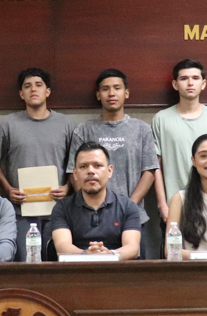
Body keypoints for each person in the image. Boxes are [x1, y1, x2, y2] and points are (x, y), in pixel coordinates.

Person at [66, 69, 158, 249]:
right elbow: (73, 171)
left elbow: (149, 170)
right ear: (98, 95)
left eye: (117, 88)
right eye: (105, 89)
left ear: (126, 93)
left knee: (133, 263)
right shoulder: (84, 130)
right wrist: (88, 203)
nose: (111, 93)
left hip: (133, 218)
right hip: (90, 219)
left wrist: (129, 206)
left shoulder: (142, 129)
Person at [0, 68, 75, 261]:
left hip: (58, 211)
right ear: (21, 93)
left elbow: (76, 163)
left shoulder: (67, 124)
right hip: (21, 211)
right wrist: (8, 189)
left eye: (38, 85)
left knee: (57, 264)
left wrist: (67, 187)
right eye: (27, 86)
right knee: (25, 263)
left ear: (48, 91)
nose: (33, 90)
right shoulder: (7, 124)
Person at [152, 59, 207, 235]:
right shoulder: (161, 119)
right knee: (174, 251)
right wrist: (162, 204)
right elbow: (156, 166)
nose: (190, 83)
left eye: (195, 78)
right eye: (184, 78)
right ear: (175, 84)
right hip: (174, 205)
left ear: (204, 83)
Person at [50, 143, 141, 260]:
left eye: (97, 166)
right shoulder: (62, 208)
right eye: (83, 166)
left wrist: (109, 255)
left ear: (109, 171)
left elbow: (133, 248)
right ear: (75, 174)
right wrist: (86, 255)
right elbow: (62, 246)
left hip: (117, 268)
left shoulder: (128, 206)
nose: (91, 171)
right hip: (76, 268)